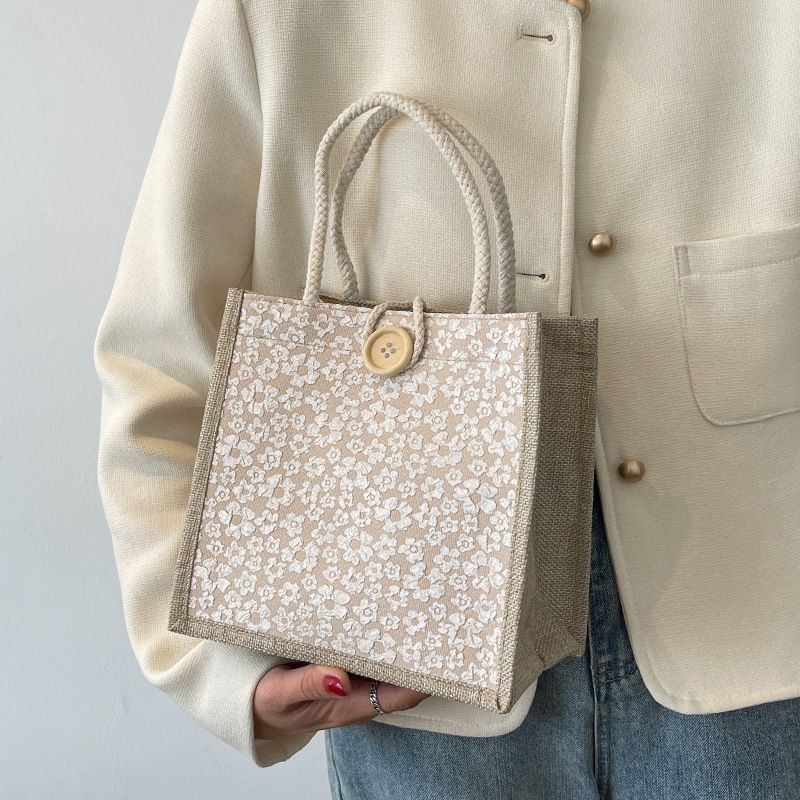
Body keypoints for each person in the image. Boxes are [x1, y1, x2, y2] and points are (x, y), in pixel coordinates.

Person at [93, 0, 800, 796]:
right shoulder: (277, 12)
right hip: (411, 675)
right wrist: (216, 666)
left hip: (764, 647)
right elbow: (158, 360)